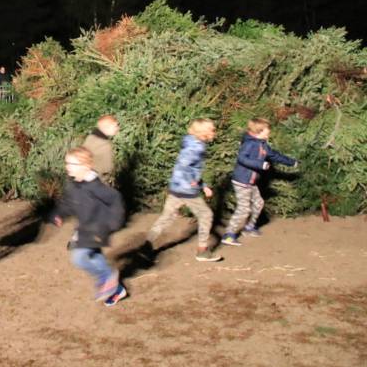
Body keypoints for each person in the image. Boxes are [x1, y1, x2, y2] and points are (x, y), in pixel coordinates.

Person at [52, 147, 127, 306]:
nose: (67, 167)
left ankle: (107, 278)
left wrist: (114, 222)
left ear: (86, 166)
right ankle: (117, 290)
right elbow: (68, 203)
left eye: (72, 164)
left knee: (78, 258)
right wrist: (59, 214)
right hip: (84, 228)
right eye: (67, 163)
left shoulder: (96, 187)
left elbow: (115, 199)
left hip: (99, 228)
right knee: (94, 256)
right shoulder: (73, 185)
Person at [142, 118, 222, 262]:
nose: (214, 132)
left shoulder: (190, 142)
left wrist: (203, 185)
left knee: (167, 217)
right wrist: (192, 182)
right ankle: (202, 251)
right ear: (203, 132)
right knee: (206, 215)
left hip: (177, 187)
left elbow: (190, 169)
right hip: (187, 190)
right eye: (212, 129)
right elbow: (184, 165)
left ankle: (146, 246)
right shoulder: (196, 147)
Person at [221, 118, 297, 246]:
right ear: (258, 132)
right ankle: (229, 235)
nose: (269, 133)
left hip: (251, 182)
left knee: (259, 203)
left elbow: (274, 155)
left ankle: (249, 227)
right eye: (267, 131)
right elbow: (242, 158)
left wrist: (292, 162)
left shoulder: (262, 144)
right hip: (242, 181)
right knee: (244, 209)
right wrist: (260, 164)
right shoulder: (249, 144)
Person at [82, 115, 120, 184]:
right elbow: (107, 168)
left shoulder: (91, 137)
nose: (117, 128)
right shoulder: (105, 144)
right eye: (115, 126)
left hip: (84, 176)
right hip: (98, 181)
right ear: (107, 127)